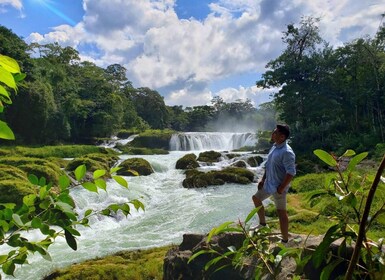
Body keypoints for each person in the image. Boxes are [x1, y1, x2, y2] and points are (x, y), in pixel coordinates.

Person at [251, 124, 296, 243]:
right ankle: (262, 224)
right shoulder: (275, 147)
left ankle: (285, 240)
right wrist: (263, 179)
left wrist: (281, 188)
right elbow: (268, 164)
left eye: (275, 133)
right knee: (256, 198)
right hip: (268, 183)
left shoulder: (287, 152)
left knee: (281, 213)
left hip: (278, 187)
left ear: (282, 137)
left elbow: (291, 172)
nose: (272, 134)